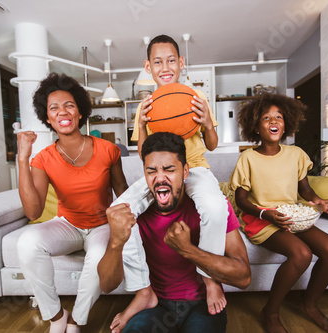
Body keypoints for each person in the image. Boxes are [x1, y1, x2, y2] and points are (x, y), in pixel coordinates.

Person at [109, 34, 230, 331]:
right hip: (162, 174)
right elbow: (143, 155)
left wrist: (206, 123)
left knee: (216, 208)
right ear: (148, 67)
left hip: (196, 168)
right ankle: (143, 291)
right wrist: (139, 125)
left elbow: (212, 144)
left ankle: (210, 280)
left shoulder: (196, 99)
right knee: (119, 210)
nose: (166, 66)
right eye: (158, 61)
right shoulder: (146, 106)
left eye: (171, 60)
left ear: (182, 63)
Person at [98, 132, 251, 333]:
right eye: (151, 171)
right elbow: (107, 285)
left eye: (169, 169)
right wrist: (116, 242)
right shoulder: (134, 213)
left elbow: (243, 277)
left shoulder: (212, 208)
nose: (160, 178)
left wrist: (187, 250)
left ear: (185, 172)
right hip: (155, 305)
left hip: (202, 304)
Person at [16, 72, 128, 333]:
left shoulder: (108, 150)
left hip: (102, 225)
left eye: (69, 105)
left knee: (100, 254)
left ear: (80, 113)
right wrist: (23, 159)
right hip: (68, 225)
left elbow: (122, 193)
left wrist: (129, 231)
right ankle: (56, 316)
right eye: (53, 108)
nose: (62, 112)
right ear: (47, 118)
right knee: (27, 242)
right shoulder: (42, 159)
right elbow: (33, 212)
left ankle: (77, 320)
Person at [229, 93, 328, 333]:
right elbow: (240, 200)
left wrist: (318, 201)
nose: (273, 121)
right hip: (263, 219)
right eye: (266, 117)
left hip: (293, 216)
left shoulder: (296, 154)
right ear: (255, 126)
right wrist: (265, 214)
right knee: (301, 254)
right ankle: (270, 312)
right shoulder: (247, 158)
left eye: (278, 117)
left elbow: (306, 190)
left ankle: (309, 304)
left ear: (286, 123)